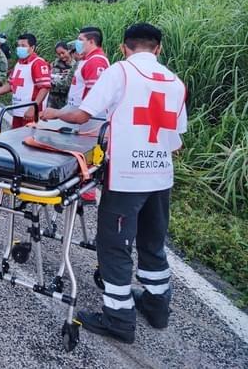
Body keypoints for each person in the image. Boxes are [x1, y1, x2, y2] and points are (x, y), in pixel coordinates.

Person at [41, 23, 187, 344]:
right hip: (161, 177)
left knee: (114, 246)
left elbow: (83, 115)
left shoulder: (120, 72)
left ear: (123, 48)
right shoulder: (176, 82)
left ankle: (119, 318)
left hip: (126, 177)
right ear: (159, 49)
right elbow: (176, 141)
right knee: (152, 241)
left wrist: (53, 113)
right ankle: (157, 305)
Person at [0, 33, 51, 128]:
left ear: (32, 47)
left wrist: (34, 107)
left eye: (23, 46)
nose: (19, 48)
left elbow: (44, 88)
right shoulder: (19, 64)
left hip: (31, 113)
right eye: (18, 45)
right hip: (18, 111)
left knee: (29, 139)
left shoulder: (38, 63)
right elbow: (11, 85)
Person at [67, 26, 110, 108]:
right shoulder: (87, 59)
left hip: (85, 114)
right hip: (77, 110)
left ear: (91, 42)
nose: (77, 43)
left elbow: (95, 95)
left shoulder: (96, 61)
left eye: (80, 39)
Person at [47, 41, 75, 109]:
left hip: (67, 99)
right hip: (52, 100)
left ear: (68, 50)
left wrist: (71, 73)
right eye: (58, 54)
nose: (61, 56)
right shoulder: (54, 64)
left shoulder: (75, 65)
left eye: (63, 53)